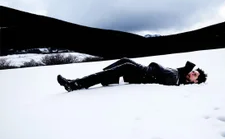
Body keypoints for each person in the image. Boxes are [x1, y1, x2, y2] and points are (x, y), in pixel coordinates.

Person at [57, 57, 207, 92]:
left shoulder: (177, 80)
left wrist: (155, 70)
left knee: (127, 65)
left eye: (195, 75)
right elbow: (182, 70)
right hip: (146, 70)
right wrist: (188, 68)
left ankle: (75, 84)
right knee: (124, 59)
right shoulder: (180, 75)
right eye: (194, 72)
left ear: (195, 82)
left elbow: (165, 78)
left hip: (144, 75)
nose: (192, 73)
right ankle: (105, 76)